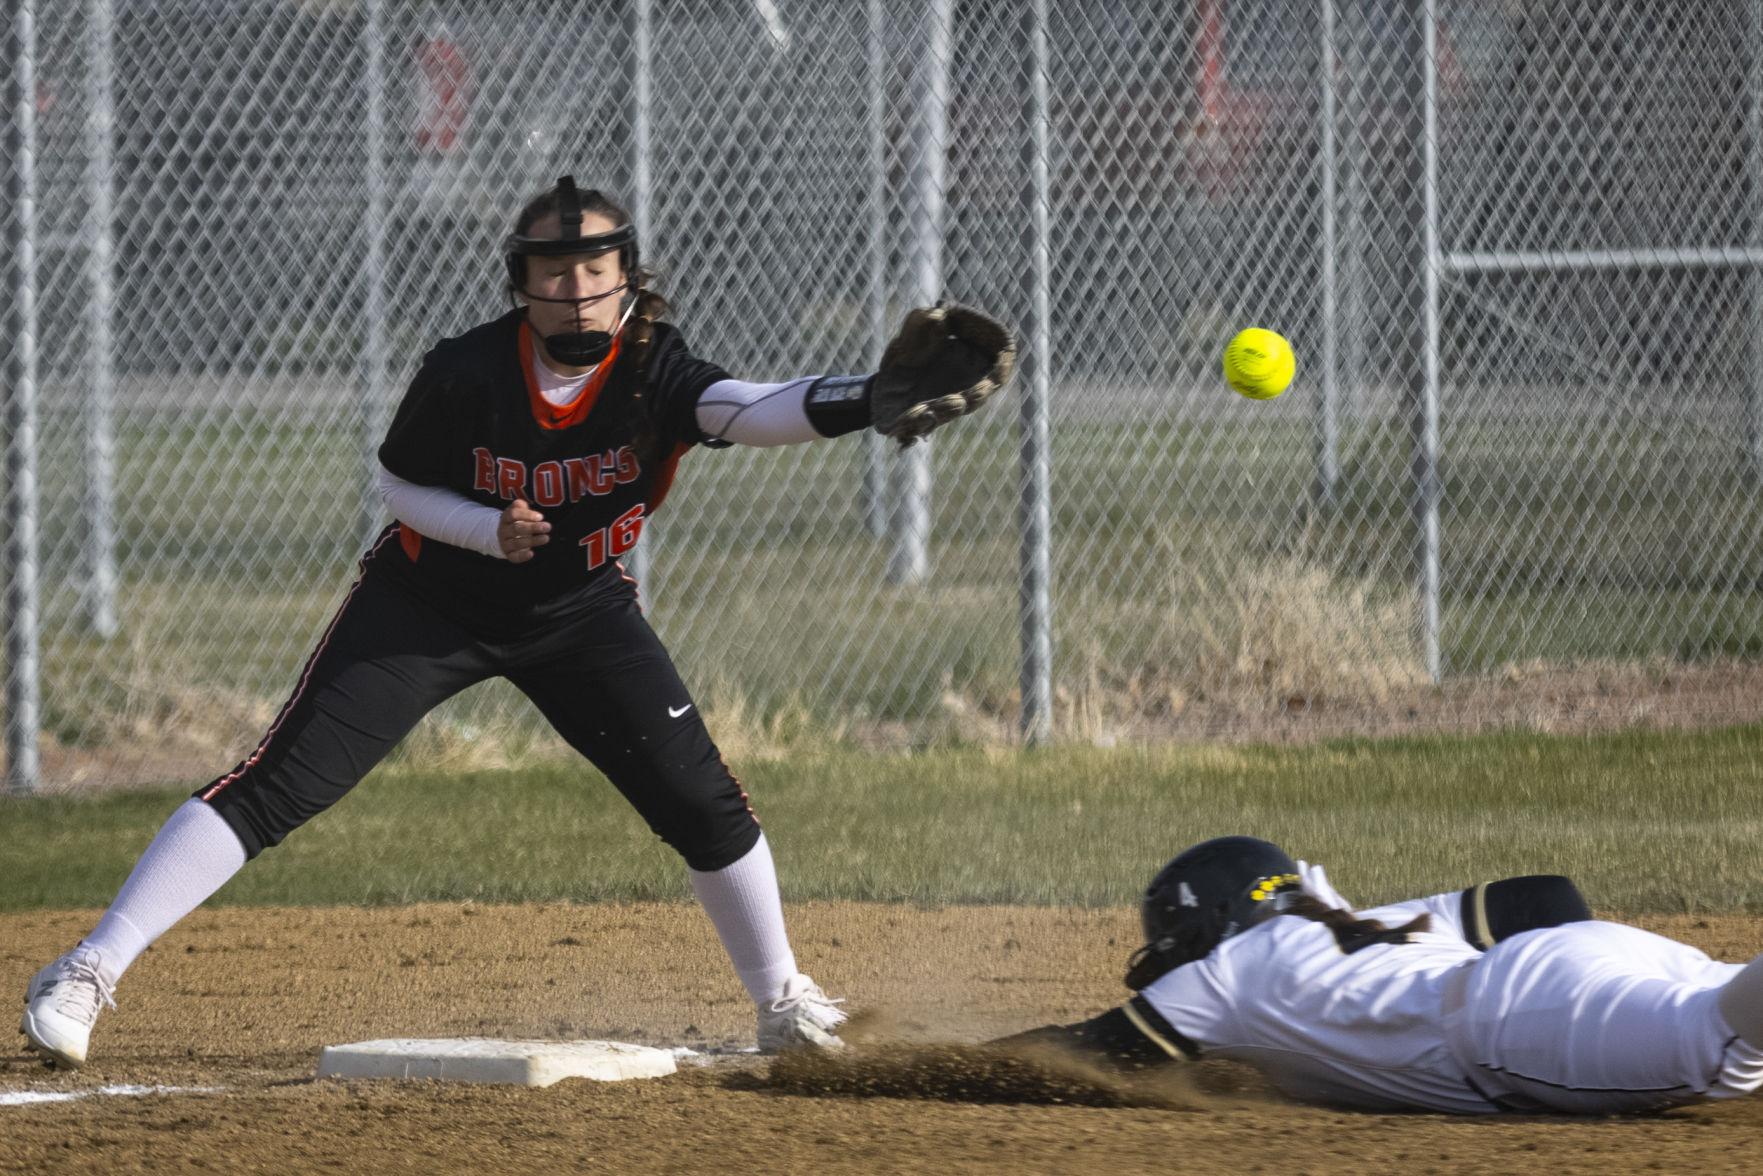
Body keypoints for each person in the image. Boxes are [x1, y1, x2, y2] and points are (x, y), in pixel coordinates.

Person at [21, 176, 1015, 1069]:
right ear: (520, 283)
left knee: (702, 802)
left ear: (628, 275)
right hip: (429, 602)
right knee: (279, 784)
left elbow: (748, 408)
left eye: (595, 265)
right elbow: (395, 483)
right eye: (553, 268)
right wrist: (482, 527)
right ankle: (88, 969)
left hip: (580, 613)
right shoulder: (467, 370)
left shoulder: (653, 370)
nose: (576, 287)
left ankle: (782, 1002)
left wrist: (863, 399)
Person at [999, 836, 1763, 1115]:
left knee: (1719, 1041)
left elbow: (1078, 1052)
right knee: (1726, 1010)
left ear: (1209, 926)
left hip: (1509, 1021)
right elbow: (1550, 899)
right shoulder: (1355, 921)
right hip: (1597, 955)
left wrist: (891, 1063)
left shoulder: (1225, 975)